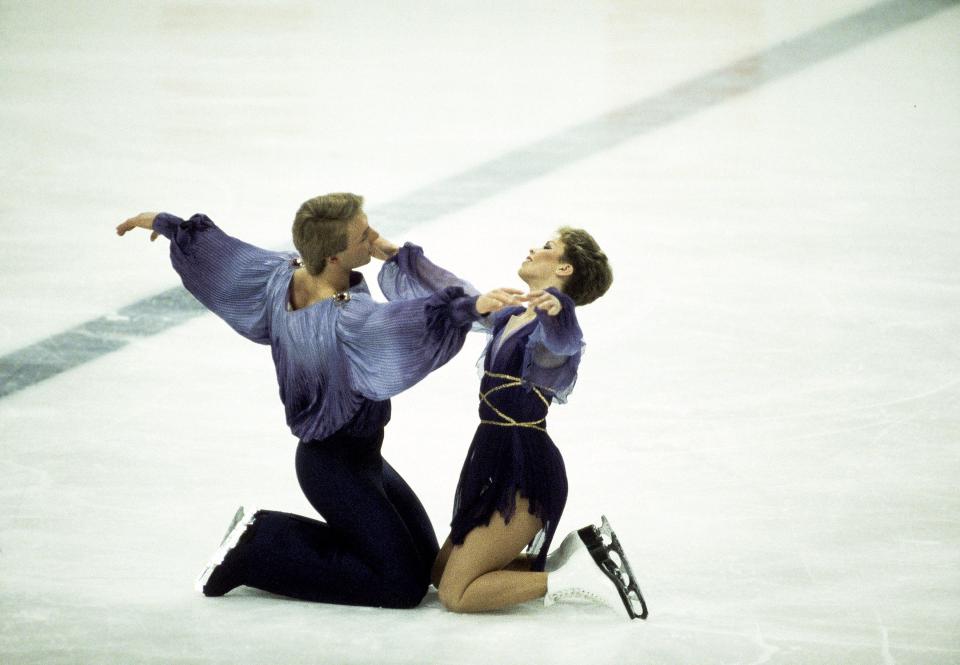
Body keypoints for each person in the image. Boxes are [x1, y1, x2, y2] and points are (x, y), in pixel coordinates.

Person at [115, 193, 521, 608]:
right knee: (401, 587)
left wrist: (167, 225)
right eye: (363, 236)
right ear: (333, 257)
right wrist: (467, 308)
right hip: (332, 466)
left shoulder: (282, 274)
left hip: (366, 460)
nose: (373, 237)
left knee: (424, 565)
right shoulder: (345, 321)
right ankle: (258, 543)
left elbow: (224, 256)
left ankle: (276, 540)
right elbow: (408, 324)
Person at [400, 227, 644, 619]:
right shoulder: (514, 314)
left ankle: (577, 578)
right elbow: (460, 294)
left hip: (525, 469)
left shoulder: (551, 331)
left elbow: (564, 342)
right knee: (440, 573)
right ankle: (563, 558)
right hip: (492, 460)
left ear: (564, 268)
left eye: (547, 247)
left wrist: (557, 310)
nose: (533, 248)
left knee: (456, 594)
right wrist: (402, 257)